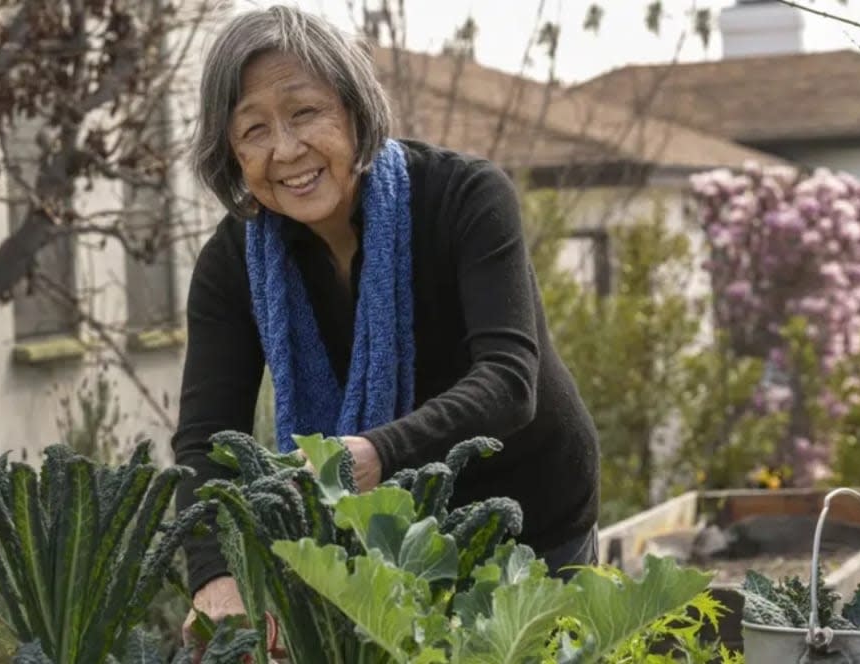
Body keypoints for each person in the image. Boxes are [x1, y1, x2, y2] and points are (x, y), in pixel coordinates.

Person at [171, 4, 600, 642]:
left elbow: (510, 382)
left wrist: (379, 455)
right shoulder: (232, 263)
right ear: (230, 154)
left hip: (531, 527)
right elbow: (206, 441)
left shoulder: (465, 198)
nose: (286, 150)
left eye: (305, 112)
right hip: (376, 556)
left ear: (353, 109)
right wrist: (214, 572)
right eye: (253, 129)